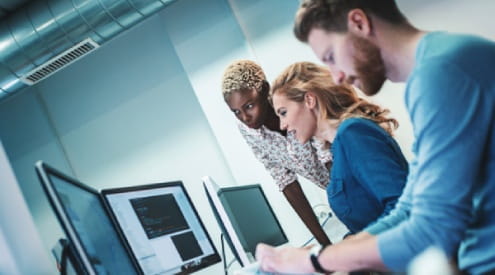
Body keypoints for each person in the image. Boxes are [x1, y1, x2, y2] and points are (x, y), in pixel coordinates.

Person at [256, 0, 495, 274]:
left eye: (331, 56)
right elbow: (408, 208)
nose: (337, 76)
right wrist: (328, 255)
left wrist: (316, 261)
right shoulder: (433, 71)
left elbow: (432, 230)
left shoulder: (442, 71)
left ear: (359, 23)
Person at [270, 61, 407, 236]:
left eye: (283, 112)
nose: (283, 125)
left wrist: (341, 252)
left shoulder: (353, 133)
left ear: (309, 100)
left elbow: (401, 208)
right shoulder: (338, 148)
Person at [221, 60, 332, 245]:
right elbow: (286, 182)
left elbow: (329, 158)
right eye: (236, 112)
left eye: (249, 106)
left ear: (265, 89)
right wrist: (325, 245)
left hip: (358, 183)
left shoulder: (296, 104)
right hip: (343, 198)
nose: (245, 117)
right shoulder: (248, 130)